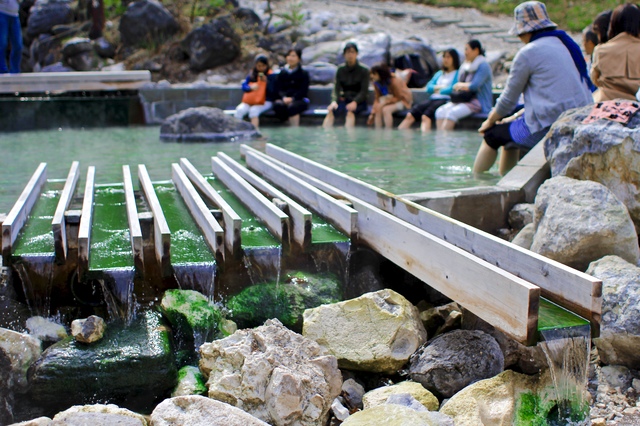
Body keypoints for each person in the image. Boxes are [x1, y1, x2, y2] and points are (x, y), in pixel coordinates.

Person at [473, 1, 594, 176]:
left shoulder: (528, 52)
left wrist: (489, 122)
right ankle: (506, 181)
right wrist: (512, 117)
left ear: (524, 30)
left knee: (492, 135)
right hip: (579, 118)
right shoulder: (564, 44)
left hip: (551, 127)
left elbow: (508, 99)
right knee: (508, 136)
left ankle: (477, 181)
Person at [434, 40, 493, 131]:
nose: (465, 53)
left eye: (467, 49)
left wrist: (460, 85)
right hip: (463, 99)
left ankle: (446, 141)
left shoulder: (483, 66)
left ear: (476, 50)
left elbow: (474, 86)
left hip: (477, 102)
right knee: (439, 112)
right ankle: (441, 140)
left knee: (452, 113)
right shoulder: (465, 66)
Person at [398, 48, 460, 131]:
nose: (445, 60)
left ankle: (425, 139)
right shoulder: (439, 73)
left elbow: (452, 88)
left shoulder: (457, 73)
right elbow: (428, 87)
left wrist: (439, 89)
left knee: (426, 117)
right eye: (444, 57)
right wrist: (440, 88)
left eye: (448, 57)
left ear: (454, 59)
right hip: (433, 98)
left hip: (445, 100)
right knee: (410, 115)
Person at [591, 3, 640, 102]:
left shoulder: (601, 50)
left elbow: (595, 79)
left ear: (613, 23)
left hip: (605, 103)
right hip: (636, 104)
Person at [323, 42, 370, 128]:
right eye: (348, 52)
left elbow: (364, 91)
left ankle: (349, 138)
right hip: (345, 99)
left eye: (352, 52)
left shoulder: (364, 70)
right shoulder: (340, 69)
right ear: (344, 55)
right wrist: (334, 101)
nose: (350, 55)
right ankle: (326, 134)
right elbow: (336, 88)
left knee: (350, 112)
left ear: (356, 54)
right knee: (331, 111)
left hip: (359, 101)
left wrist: (355, 102)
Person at [235, 54, 276, 130]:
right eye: (259, 66)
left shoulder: (271, 76)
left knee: (254, 111)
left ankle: (255, 131)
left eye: (263, 66)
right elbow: (244, 86)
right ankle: (237, 130)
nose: (261, 68)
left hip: (265, 101)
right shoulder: (252, 74)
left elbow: (274, 91)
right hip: (250, 100)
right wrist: (250, 88)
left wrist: (266, 82)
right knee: (239, 110)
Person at [368, 63, 412, 128]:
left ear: (381, 74)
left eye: (374, 74)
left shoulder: (394, 81)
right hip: (388, 99)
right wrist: (372, 113)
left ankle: (388, 132)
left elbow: (399, 97)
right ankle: (378, 131)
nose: (372, 76)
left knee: (386, 110)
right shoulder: (376, 83)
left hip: (402, 100)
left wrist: (384, 103)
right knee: (378, 108)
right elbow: (377, 98)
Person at [273, 48, 310, 126]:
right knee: (278, 105)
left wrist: (292, 98)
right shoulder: (282, 73)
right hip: (284, 99)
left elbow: (303, 90)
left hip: (299, 99)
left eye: (293, 56)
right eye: (289, 55)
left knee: (293, 107)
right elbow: (278, 88)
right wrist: (284, 97)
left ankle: (294, 128)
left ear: (299, 58)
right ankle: (285, 125)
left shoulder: (303, 73)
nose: (290, 58)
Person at [0, 0, 22, 74]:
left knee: (18, 45)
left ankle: (15, 70)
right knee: (2, 44)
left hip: (14, 15)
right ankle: (2, 70)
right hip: (2, 12)